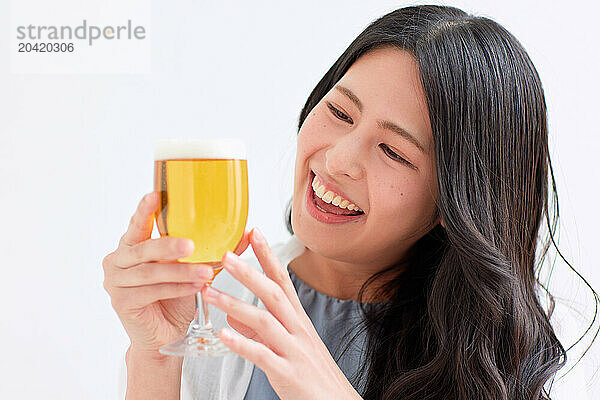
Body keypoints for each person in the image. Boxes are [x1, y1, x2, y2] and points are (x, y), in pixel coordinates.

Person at [102, 4, 598, 400]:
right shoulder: (217, 295)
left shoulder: (514, 350)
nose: (337, 160)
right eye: (340, 111)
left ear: (455, 202)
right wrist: (155, 359)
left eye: (393, 151)